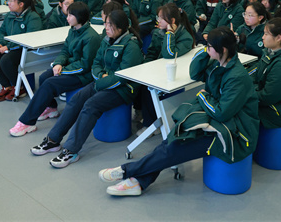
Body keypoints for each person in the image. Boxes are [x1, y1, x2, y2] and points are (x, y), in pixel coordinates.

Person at [98, 27, 259, 197]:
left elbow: (221, 112)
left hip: (235, 133)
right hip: (220, 122)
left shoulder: (236, 77)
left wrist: (202, 96)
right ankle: (138, 181)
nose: (207, 48)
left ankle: (127, 171)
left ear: (223, 50)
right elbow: (195, 73)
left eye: (210, 46)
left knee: (174, 148)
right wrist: (205, 53)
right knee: (172, 140)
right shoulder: (219, 64)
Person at [30, 9, 143, 168]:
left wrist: (101, 81)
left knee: (91, 105)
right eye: (105, 24)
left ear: (120, 27)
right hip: (102, 82)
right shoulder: (106, 39)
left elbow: (122, 78)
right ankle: (53, 140)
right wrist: (101, 77)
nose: (106, 28)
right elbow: (96, 64)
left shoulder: (131, 46)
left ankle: (71, 150)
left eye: (110, 25)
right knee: (77, 99)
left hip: (123, 90)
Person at [8, 2, 102, 136]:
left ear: (79, 16)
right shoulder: (73, 30)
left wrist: (63, 70)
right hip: (71, 68)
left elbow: (85, 65)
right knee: (43, 77)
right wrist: (58, 63)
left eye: (70, 15)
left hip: (83, 75)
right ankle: (51, 108)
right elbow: (65, 51)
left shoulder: (91, 37)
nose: (67, 18)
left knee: (49, 83)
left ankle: (26, 122)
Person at [138, 3, 195, 134]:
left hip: (173, 74)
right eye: (158, 17)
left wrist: (170, 33)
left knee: (148, 90)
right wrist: (144, 68)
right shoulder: (158, 32)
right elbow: (152, 52)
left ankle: (150, 125)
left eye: (161, 18)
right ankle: (144, 114)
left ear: (172, 21)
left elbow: (169, 54)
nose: (158, 20)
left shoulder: (185, 37)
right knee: (140, 83)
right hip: (159, 69)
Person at [0, 0, 43, 101]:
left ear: (21, 4)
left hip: (26, 49)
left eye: (11, 1)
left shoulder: (33, 17)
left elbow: (30, 38)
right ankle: (7, 86)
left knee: (6, 60)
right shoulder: (9, 15)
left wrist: (8, 46)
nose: (8, 3)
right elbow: (2, 32)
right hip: (12, 48)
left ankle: (19, 87)